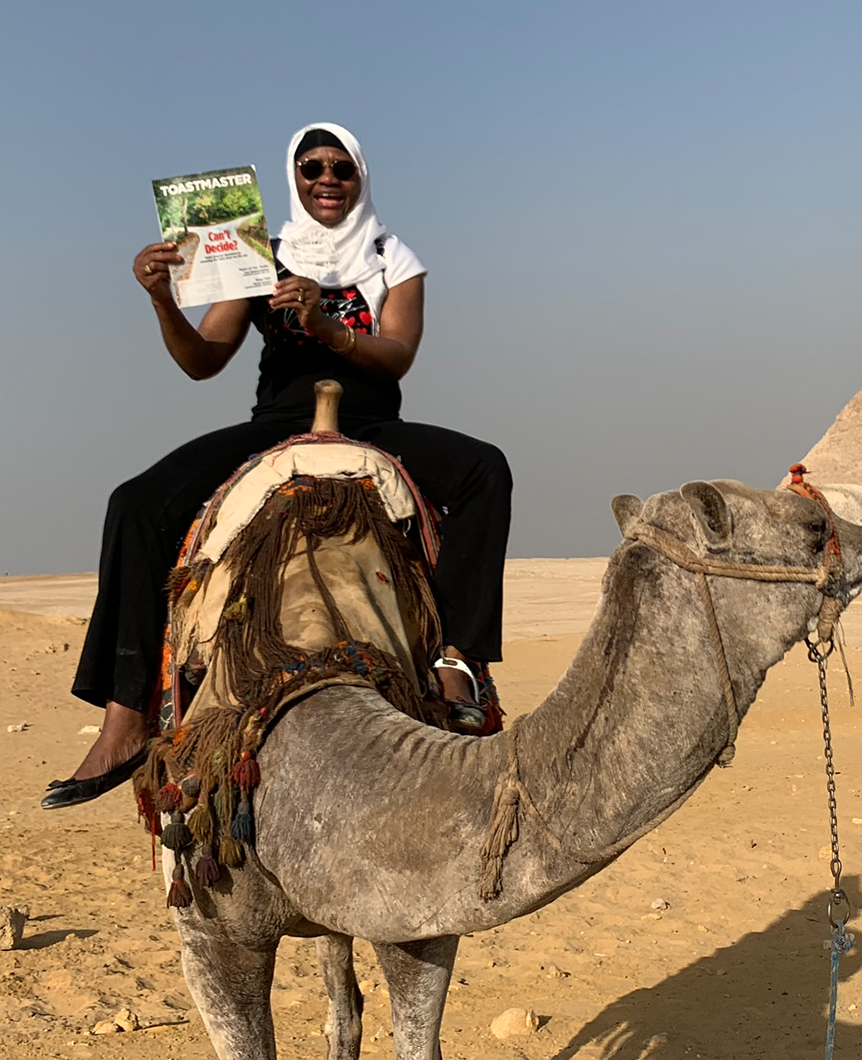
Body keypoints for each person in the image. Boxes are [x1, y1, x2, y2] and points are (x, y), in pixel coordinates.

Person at [42, 122, 511, 810]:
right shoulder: (264, 253)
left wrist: (328, 328)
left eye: (340, 168)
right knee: (136, 502)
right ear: (294, 177)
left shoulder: (393, 256)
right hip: (277, 424)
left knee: (485, 471)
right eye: (311, 167)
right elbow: (204, 360)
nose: (326, 179)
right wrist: (161, 300)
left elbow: (399, 353)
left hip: (372, 423)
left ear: (360, 175)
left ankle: (459, 661)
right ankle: (125, 715)